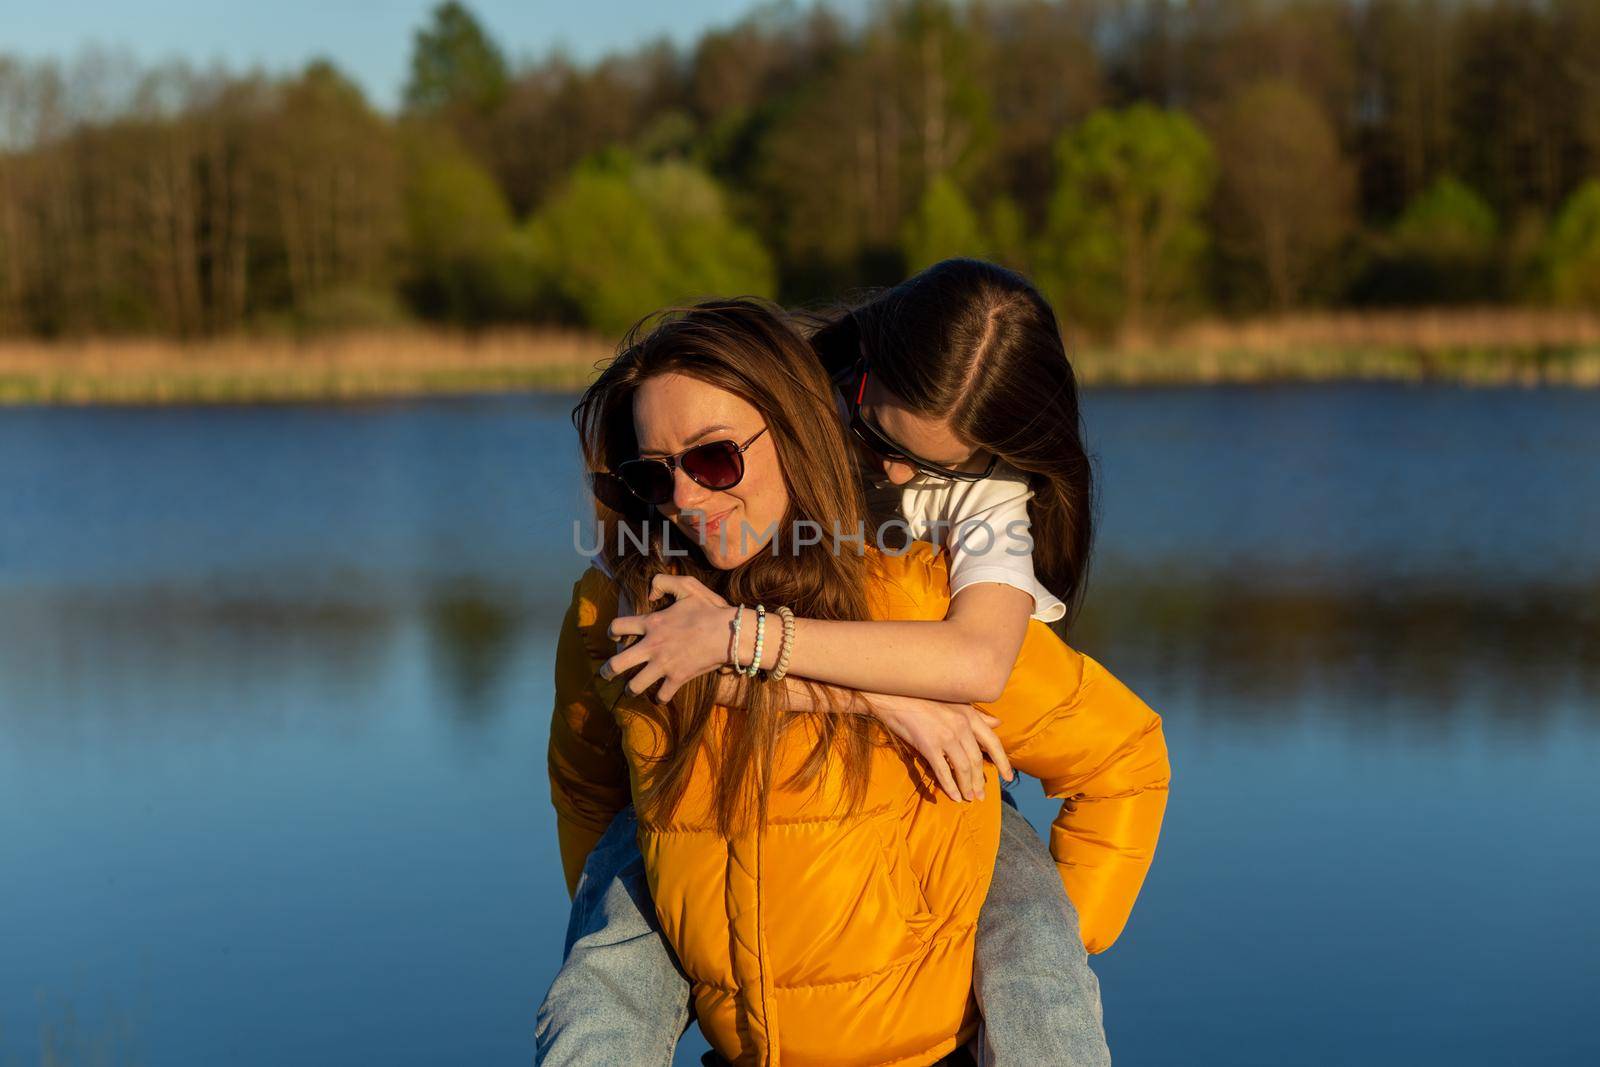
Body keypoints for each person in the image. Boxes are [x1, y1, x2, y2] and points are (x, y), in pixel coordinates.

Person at [540, 296, 1169, 1065]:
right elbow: (587, 791)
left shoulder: (922, 598)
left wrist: (1036, 946)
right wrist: (672, 926)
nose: (686, 499)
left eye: (714, 459)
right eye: (653, 473)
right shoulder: (615, 605)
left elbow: (1123, 760)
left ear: (797, 429)